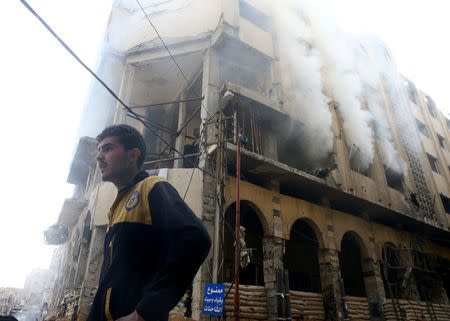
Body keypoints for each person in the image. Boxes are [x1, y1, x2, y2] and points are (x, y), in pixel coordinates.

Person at [87, 124, 211, 321]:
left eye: (108, 148)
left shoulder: (151, 187)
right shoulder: (117, 205)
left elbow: (196, 238)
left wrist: (145, 312)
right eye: (99, 150)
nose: (99, 156)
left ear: (133, 155)